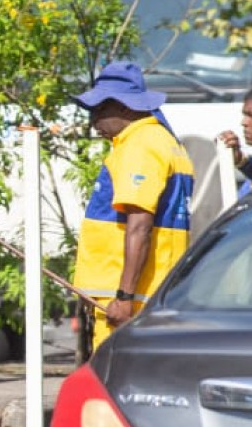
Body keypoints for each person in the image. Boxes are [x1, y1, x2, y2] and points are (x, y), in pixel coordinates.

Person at [73, 61, 195, 345]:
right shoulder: (164, 141)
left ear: (126, 107)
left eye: (100, 109)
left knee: (114, 382)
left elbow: (139, 224)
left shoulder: (140, 144)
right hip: (152, 293)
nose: (94, 121)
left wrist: (124, 297)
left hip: (131, 299)